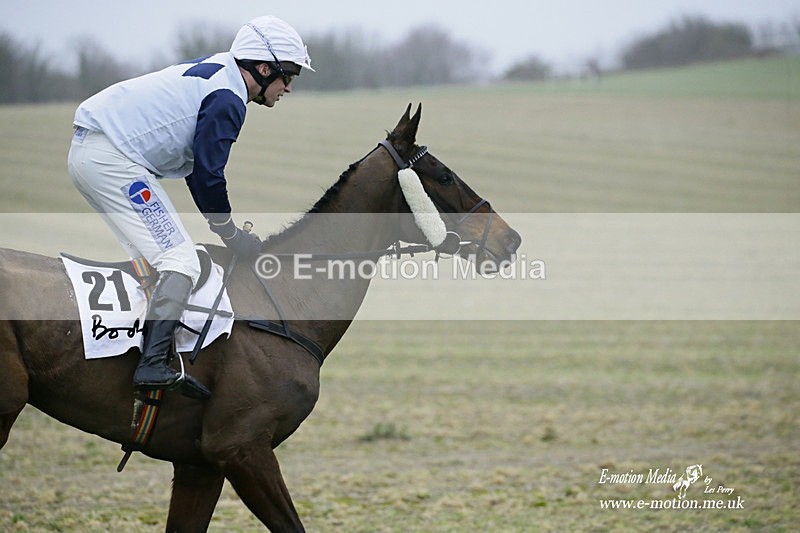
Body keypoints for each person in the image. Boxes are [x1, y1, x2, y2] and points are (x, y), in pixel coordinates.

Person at [67, 16, 313, 399]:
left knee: (160, 261)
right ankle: (151, 366)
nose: (288, 88)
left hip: (98, 150)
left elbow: (199, 174)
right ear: (264, 69)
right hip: (111, 158)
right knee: (181, 260)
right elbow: (207, 177)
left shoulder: (222, 72)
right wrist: (231, 234)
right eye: (288, 76)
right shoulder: (229, 100)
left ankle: (142, 352)